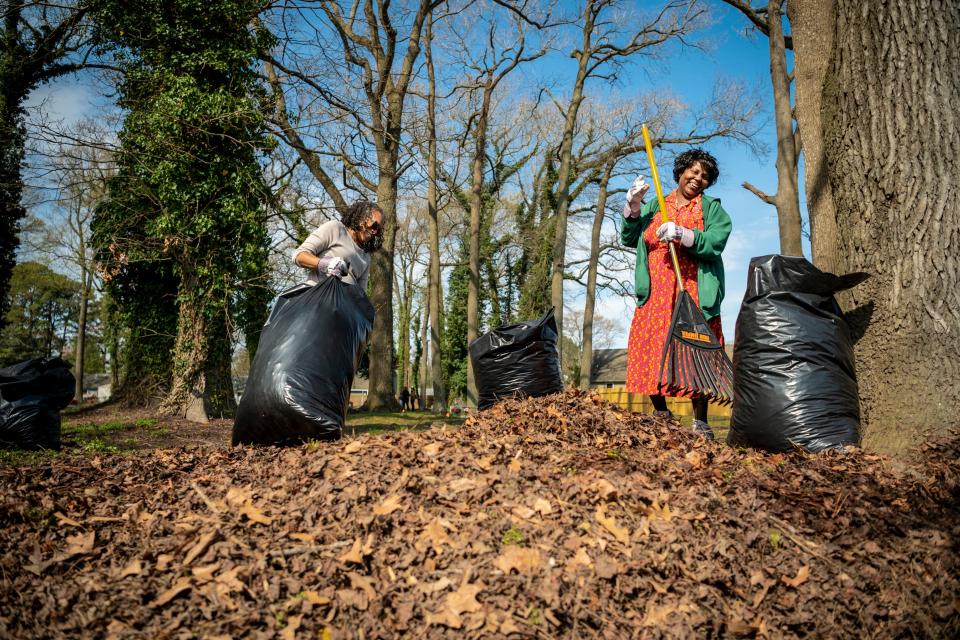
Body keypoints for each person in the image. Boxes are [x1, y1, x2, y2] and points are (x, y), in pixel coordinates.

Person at [619, 149, 731, 440]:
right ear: (681, 172)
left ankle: (701, 423)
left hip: (692, 288)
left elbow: (716, 242)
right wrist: (632, 206)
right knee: (652, 348)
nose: (698, 179)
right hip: (656, 292)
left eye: (705, 176)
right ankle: (661, 414)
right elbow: (630, 237)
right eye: (694, 172)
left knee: (696, 350)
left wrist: (682, 233)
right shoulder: (657, 204)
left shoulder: (712, 210)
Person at [293, 200, 384, 291]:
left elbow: (360, 294)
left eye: (378, 230)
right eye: (374, 225)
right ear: (362, 218)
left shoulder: (366, 257)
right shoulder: (336, 229)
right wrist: (325, 264)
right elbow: (299, 256)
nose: (375, 232)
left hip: (341, 304)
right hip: (317, 298)